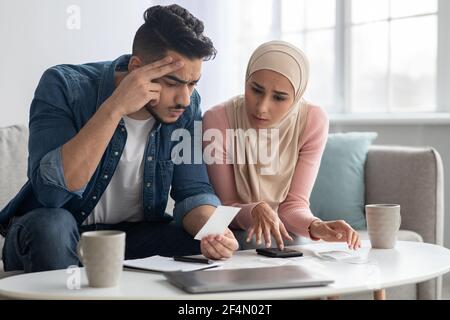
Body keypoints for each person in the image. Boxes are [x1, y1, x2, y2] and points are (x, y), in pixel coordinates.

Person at [0, 4, 238, 273]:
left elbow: (194, 191)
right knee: (52, 229)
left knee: (207, 243)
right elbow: (52, 194)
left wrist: (213, 233)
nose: (184, 98)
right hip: (57, 229)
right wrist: (114, 108)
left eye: (192, 83)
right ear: (137, 68)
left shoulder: (187, 105)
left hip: (132, 237)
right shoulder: (64, 86)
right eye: (172, 83)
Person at [203, 41, 361, 251]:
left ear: (297, 97)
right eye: (256, 90)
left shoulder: (312, 121)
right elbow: (224, 209)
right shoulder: (218, 120)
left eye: (279, 97)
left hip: (286, 234)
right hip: (229, 236)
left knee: (293, 245)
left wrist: (316, 226)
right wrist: (255, 210)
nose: (262, 107)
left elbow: (293, 205)